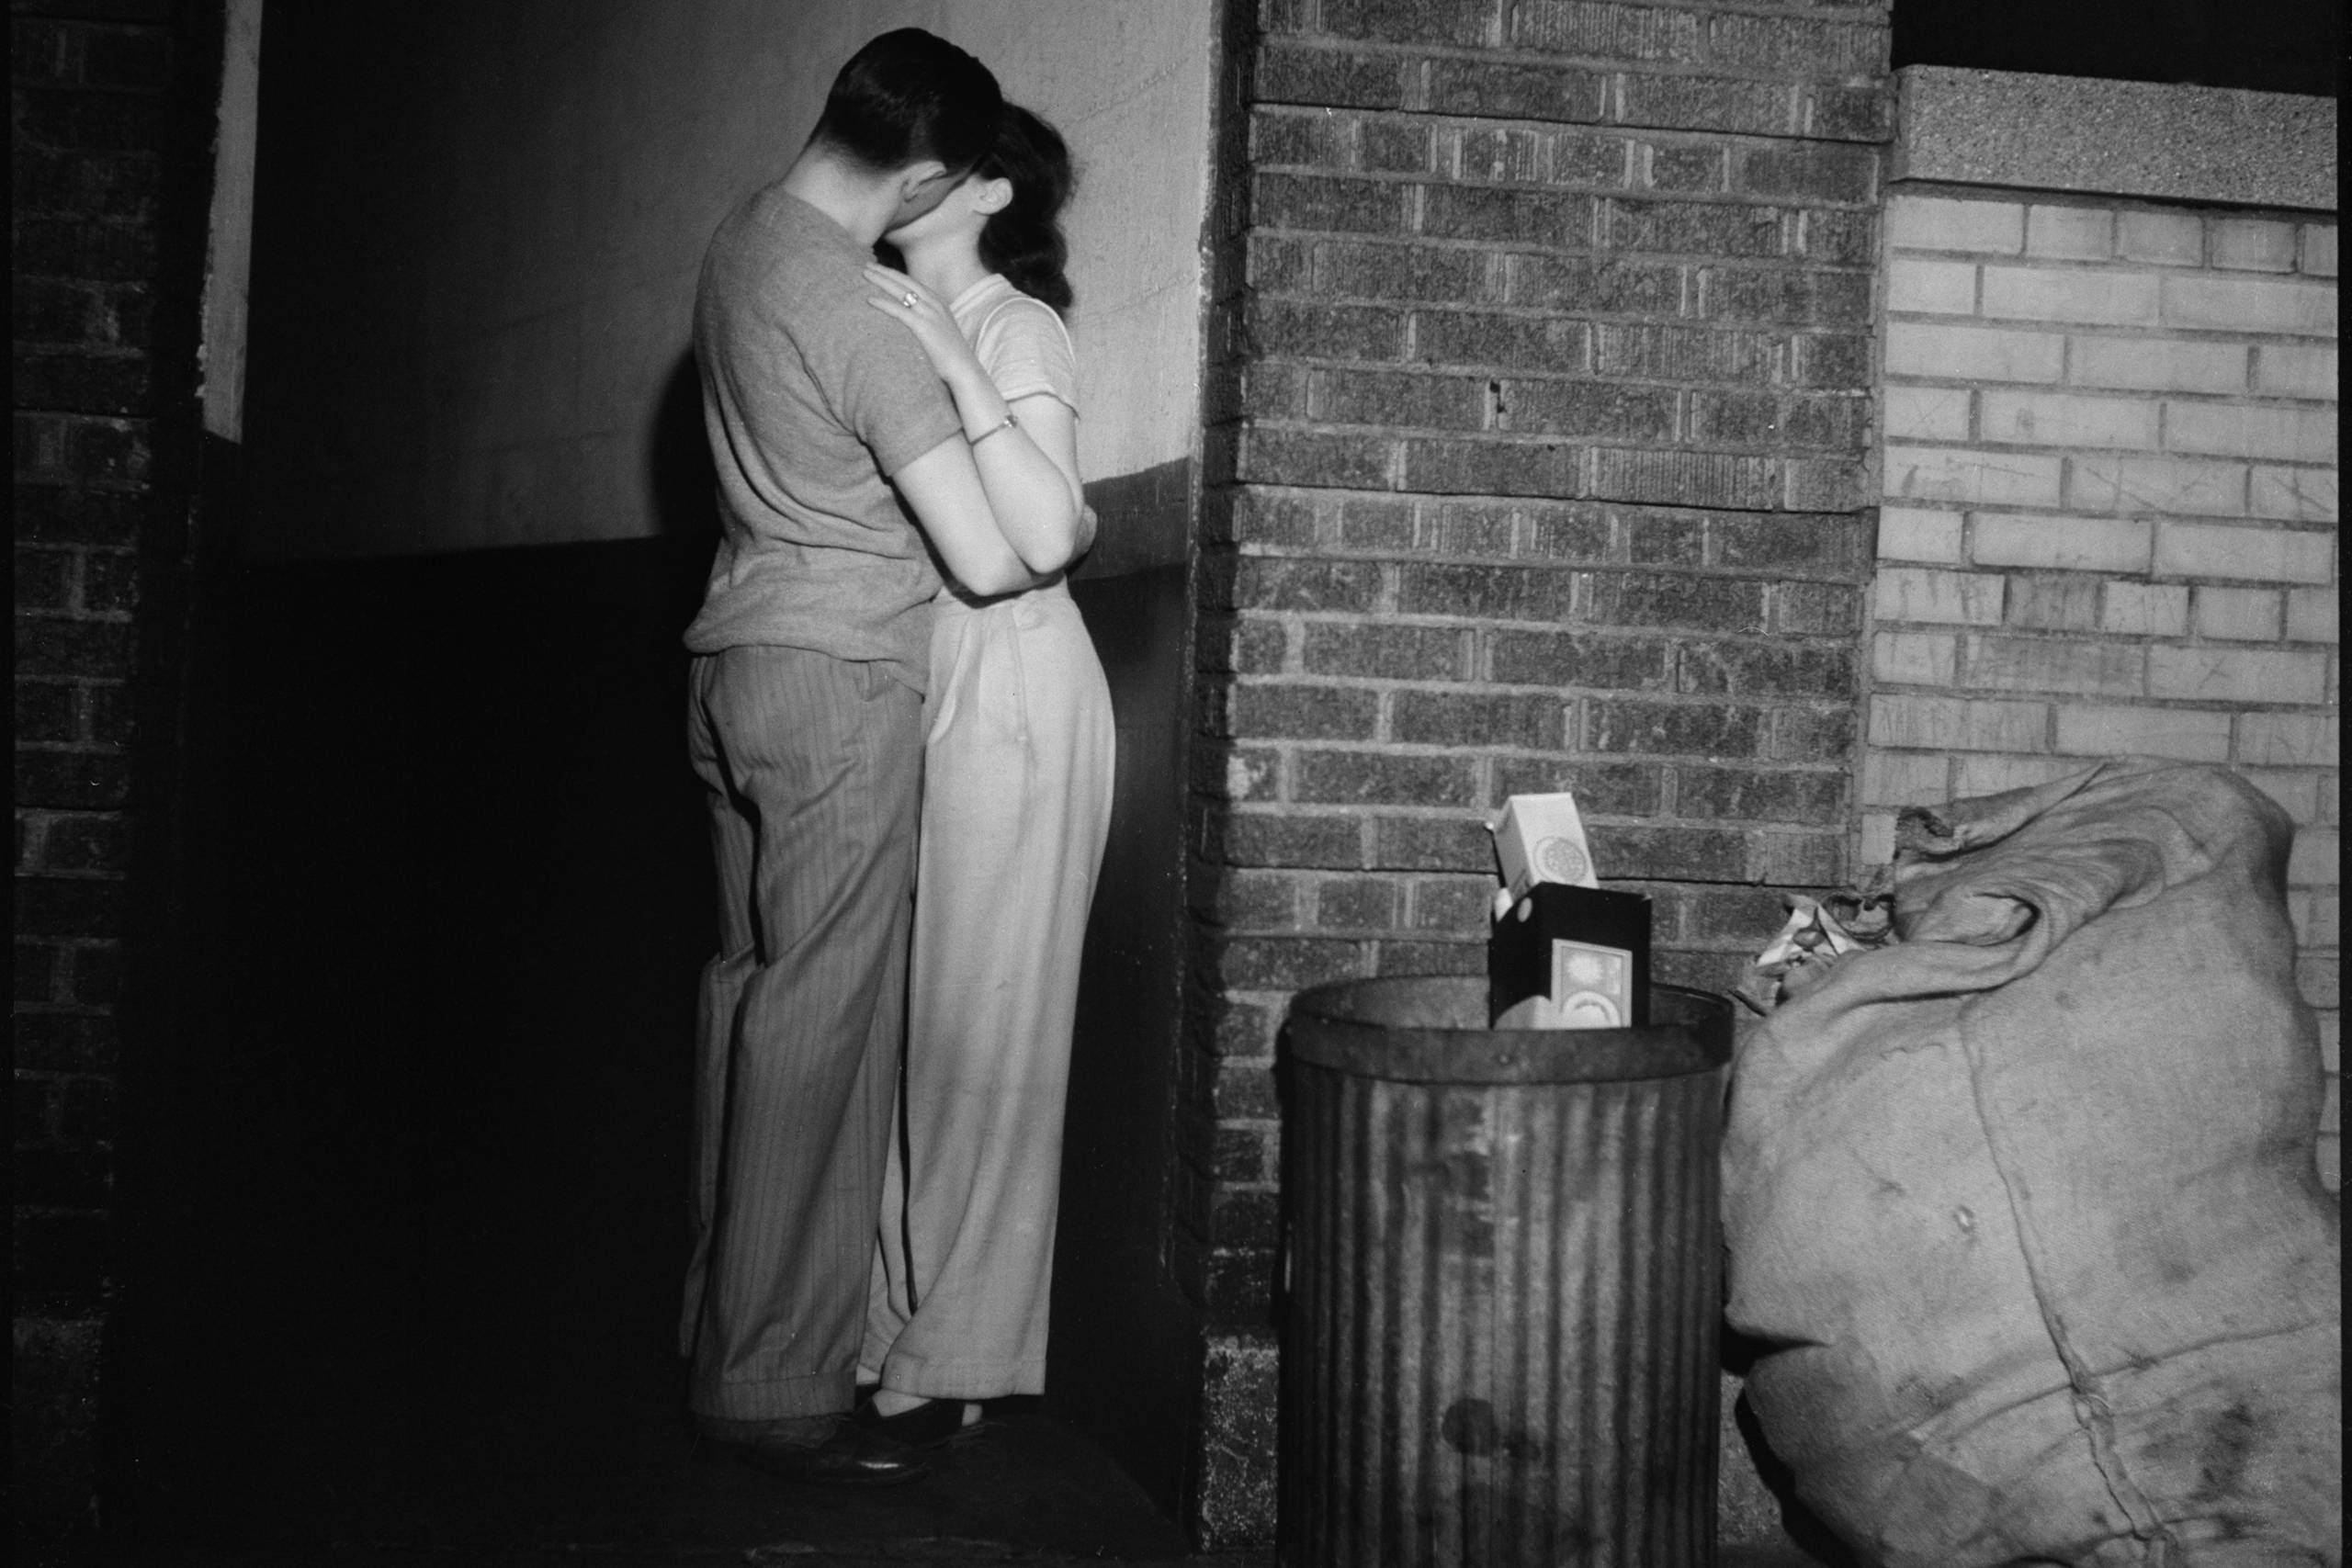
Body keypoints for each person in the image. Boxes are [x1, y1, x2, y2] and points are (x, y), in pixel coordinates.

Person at [680, 29, 1069, 1486]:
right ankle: (775, 1386)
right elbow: (991, 555)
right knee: (821, 1023)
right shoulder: (856, 306)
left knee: (748, 997)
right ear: (924, 176)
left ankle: (721, 1332)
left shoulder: (742, 238)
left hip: (734, 661)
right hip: (838, 679)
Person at [851, 106, 1114, 1444]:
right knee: (923, 1027)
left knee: (986, 1035)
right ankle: (899, 1320)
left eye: (939, 162)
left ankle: (958, 1348)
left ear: (993, 192)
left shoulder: (1016, 326)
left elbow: (1046, 535)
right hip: (925, 670)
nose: (904, 177)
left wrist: (955, 355)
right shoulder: (881, 310)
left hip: (1012, 675)